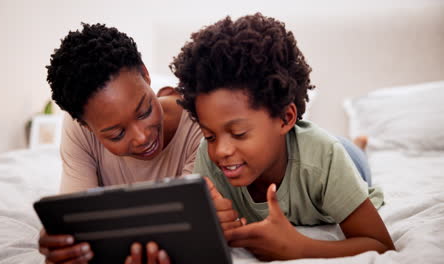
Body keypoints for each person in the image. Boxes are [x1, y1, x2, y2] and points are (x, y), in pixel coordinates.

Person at [170, 13, 395, 261]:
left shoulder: (324, 157)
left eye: (239, 133)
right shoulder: (208, 158)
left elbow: (381, 244)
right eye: (209, 135)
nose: (221, 150)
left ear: (286, 118)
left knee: (351, 153)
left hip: (342, 157)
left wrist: (301, 248)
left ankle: (359, 145)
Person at [38, 23, 202, 263]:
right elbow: (78, 219)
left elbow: (189, 223)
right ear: (86, 126)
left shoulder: (199, 124)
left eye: (144, 111)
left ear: (146, 75)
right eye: (116, 134)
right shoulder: (79, 129)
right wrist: (66, 246)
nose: (142, 137)